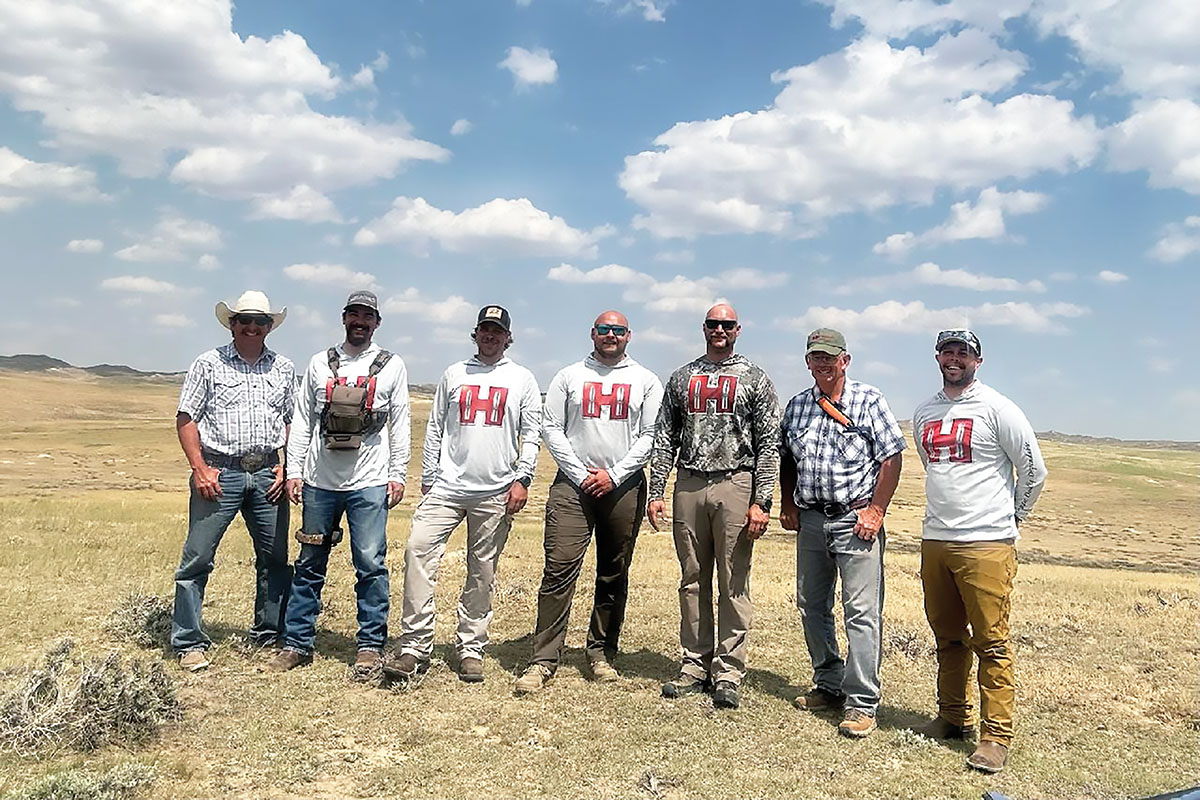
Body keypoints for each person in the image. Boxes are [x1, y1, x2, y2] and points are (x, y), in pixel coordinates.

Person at [912, 329, 1047, 774]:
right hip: (937, 540)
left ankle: (995, 737)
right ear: (937, 357)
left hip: (986, 542)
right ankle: (952, 716)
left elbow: (1033, 470)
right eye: (948, 351)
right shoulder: (925, 412)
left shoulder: (998, 409)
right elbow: (933, 466)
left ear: (978, 360)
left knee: (991, 641)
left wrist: (1012, 519)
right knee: (947, 636)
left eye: (964, 353)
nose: (955, 359)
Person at [385, 305, 541, 685]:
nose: (490, 336)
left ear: (508, 337)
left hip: (495, 490)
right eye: (484, 330)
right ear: (475, 334)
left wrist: (523, 478)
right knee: (418, 551)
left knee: (481, 570)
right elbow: (436, 425)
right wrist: (429, 477)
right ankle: (414, 646)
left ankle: (471, 647)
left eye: (497, 331)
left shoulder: (521, 379)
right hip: (447, 487)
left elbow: (532, 434)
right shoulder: (455, 374)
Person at [513, 311, 664, 695]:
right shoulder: (569, 376)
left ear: (629, 335)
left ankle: (600, 652)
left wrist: (614, 475)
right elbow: (552, 427)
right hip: (572, 485)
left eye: (617, 330)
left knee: (613, 571)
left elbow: (650, 434)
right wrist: (581, 473)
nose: (610, 336)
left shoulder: (645, 380)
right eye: (603, 330)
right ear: (592, 334)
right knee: (559, 566)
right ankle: (544, 658)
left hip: (624, 485)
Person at [268, 290, 410, 680]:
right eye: (354, 314)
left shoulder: (392, 366)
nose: (360, 321)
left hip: (369, 481)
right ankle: (297, 643)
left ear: (377, 322)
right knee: (310, 562)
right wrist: (294, 470)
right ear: (343, 318)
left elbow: (400, 423)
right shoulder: (319, 363)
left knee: (370, 563)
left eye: (368, 316)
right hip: (319, 482)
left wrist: (397, 474)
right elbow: (302, 421)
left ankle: (369, 644)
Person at [646, 303, 779, 710]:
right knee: (692, 578)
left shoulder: (754, 378)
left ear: (738, 329)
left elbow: (769, 443)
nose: (719, 329)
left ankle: (728, 671)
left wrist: (762, 500)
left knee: (733, 580)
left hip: (735, 482)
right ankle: (693, 664)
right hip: (689, 483)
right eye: (712, 324)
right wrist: (656, 491)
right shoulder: (683, 377)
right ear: (704, 328)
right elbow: (665, 436)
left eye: (726, 324)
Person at [779, 328, 905, 738]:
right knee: (811, 605)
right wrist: (788, 503)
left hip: (856, 521)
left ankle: (861, 702)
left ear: (845, 360)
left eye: (830, 357)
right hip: (813, 521)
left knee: (861, 613)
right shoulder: (798, 406)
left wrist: (876, 510)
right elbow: (787, 459)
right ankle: (828, 682)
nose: (823, 363)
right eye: (816, 356)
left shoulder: (869, 400)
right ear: (807, 362)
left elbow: (891, 457)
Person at [172, 290, 294, 672]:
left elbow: (292, 422)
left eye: (260, 322)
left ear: (270, 327)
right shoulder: (208, 364)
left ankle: (269, 631)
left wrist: (287, 466)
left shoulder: (284, 368)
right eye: (246, 321)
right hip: (219, 472)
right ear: (233, 324)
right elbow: (187, 417)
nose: (252, 327)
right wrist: (199, 468)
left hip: (267, 473)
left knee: (274, 558)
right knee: (198, 558)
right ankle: (188, 640)